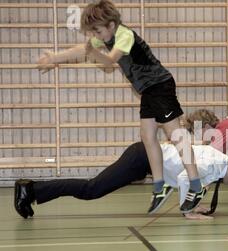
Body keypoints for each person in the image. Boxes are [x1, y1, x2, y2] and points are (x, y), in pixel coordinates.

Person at [36, 0, 204, 215]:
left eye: (97, 31)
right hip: (148, 90)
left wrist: (91, 51)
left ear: (111, 25)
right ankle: (159, 186)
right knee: (147, 135)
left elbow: (108, 63)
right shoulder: (105, 38)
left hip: (160, 85)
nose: (95, 36)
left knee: (176, 134)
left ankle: (196, 184)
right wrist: (55, 58)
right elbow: (82, 49)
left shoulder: (125, 35)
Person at [14, 142, 228, 221]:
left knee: (92, 189)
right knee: (92, 189)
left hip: (147, 160)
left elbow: (186, 179)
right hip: (141, 158)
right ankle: (30, 189)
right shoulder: (213, 165)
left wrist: (192, 205)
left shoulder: (218, 165)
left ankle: (32, 191)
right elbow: (185, 177)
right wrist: (188, 211)